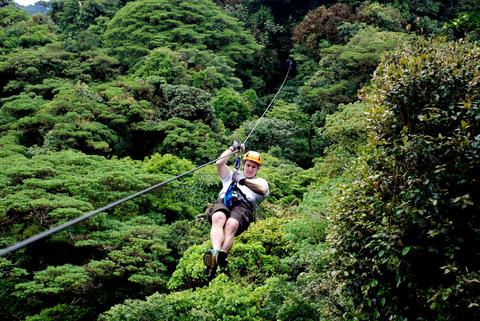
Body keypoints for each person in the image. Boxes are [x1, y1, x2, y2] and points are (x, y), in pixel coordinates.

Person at [204, 142, 269, 277]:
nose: (250, 169)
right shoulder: (231, 175)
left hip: (243, 206)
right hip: (225, 199)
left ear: (257, 169)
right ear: (244, 165)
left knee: (231, 224)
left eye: (253, 167)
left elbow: (262, 190)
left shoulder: (260, 182)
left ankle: (222, 254)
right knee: (218, 218)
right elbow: (219, 163)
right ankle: (216, 252)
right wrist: (232, 148)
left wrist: (242, 180)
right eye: (248, 165)